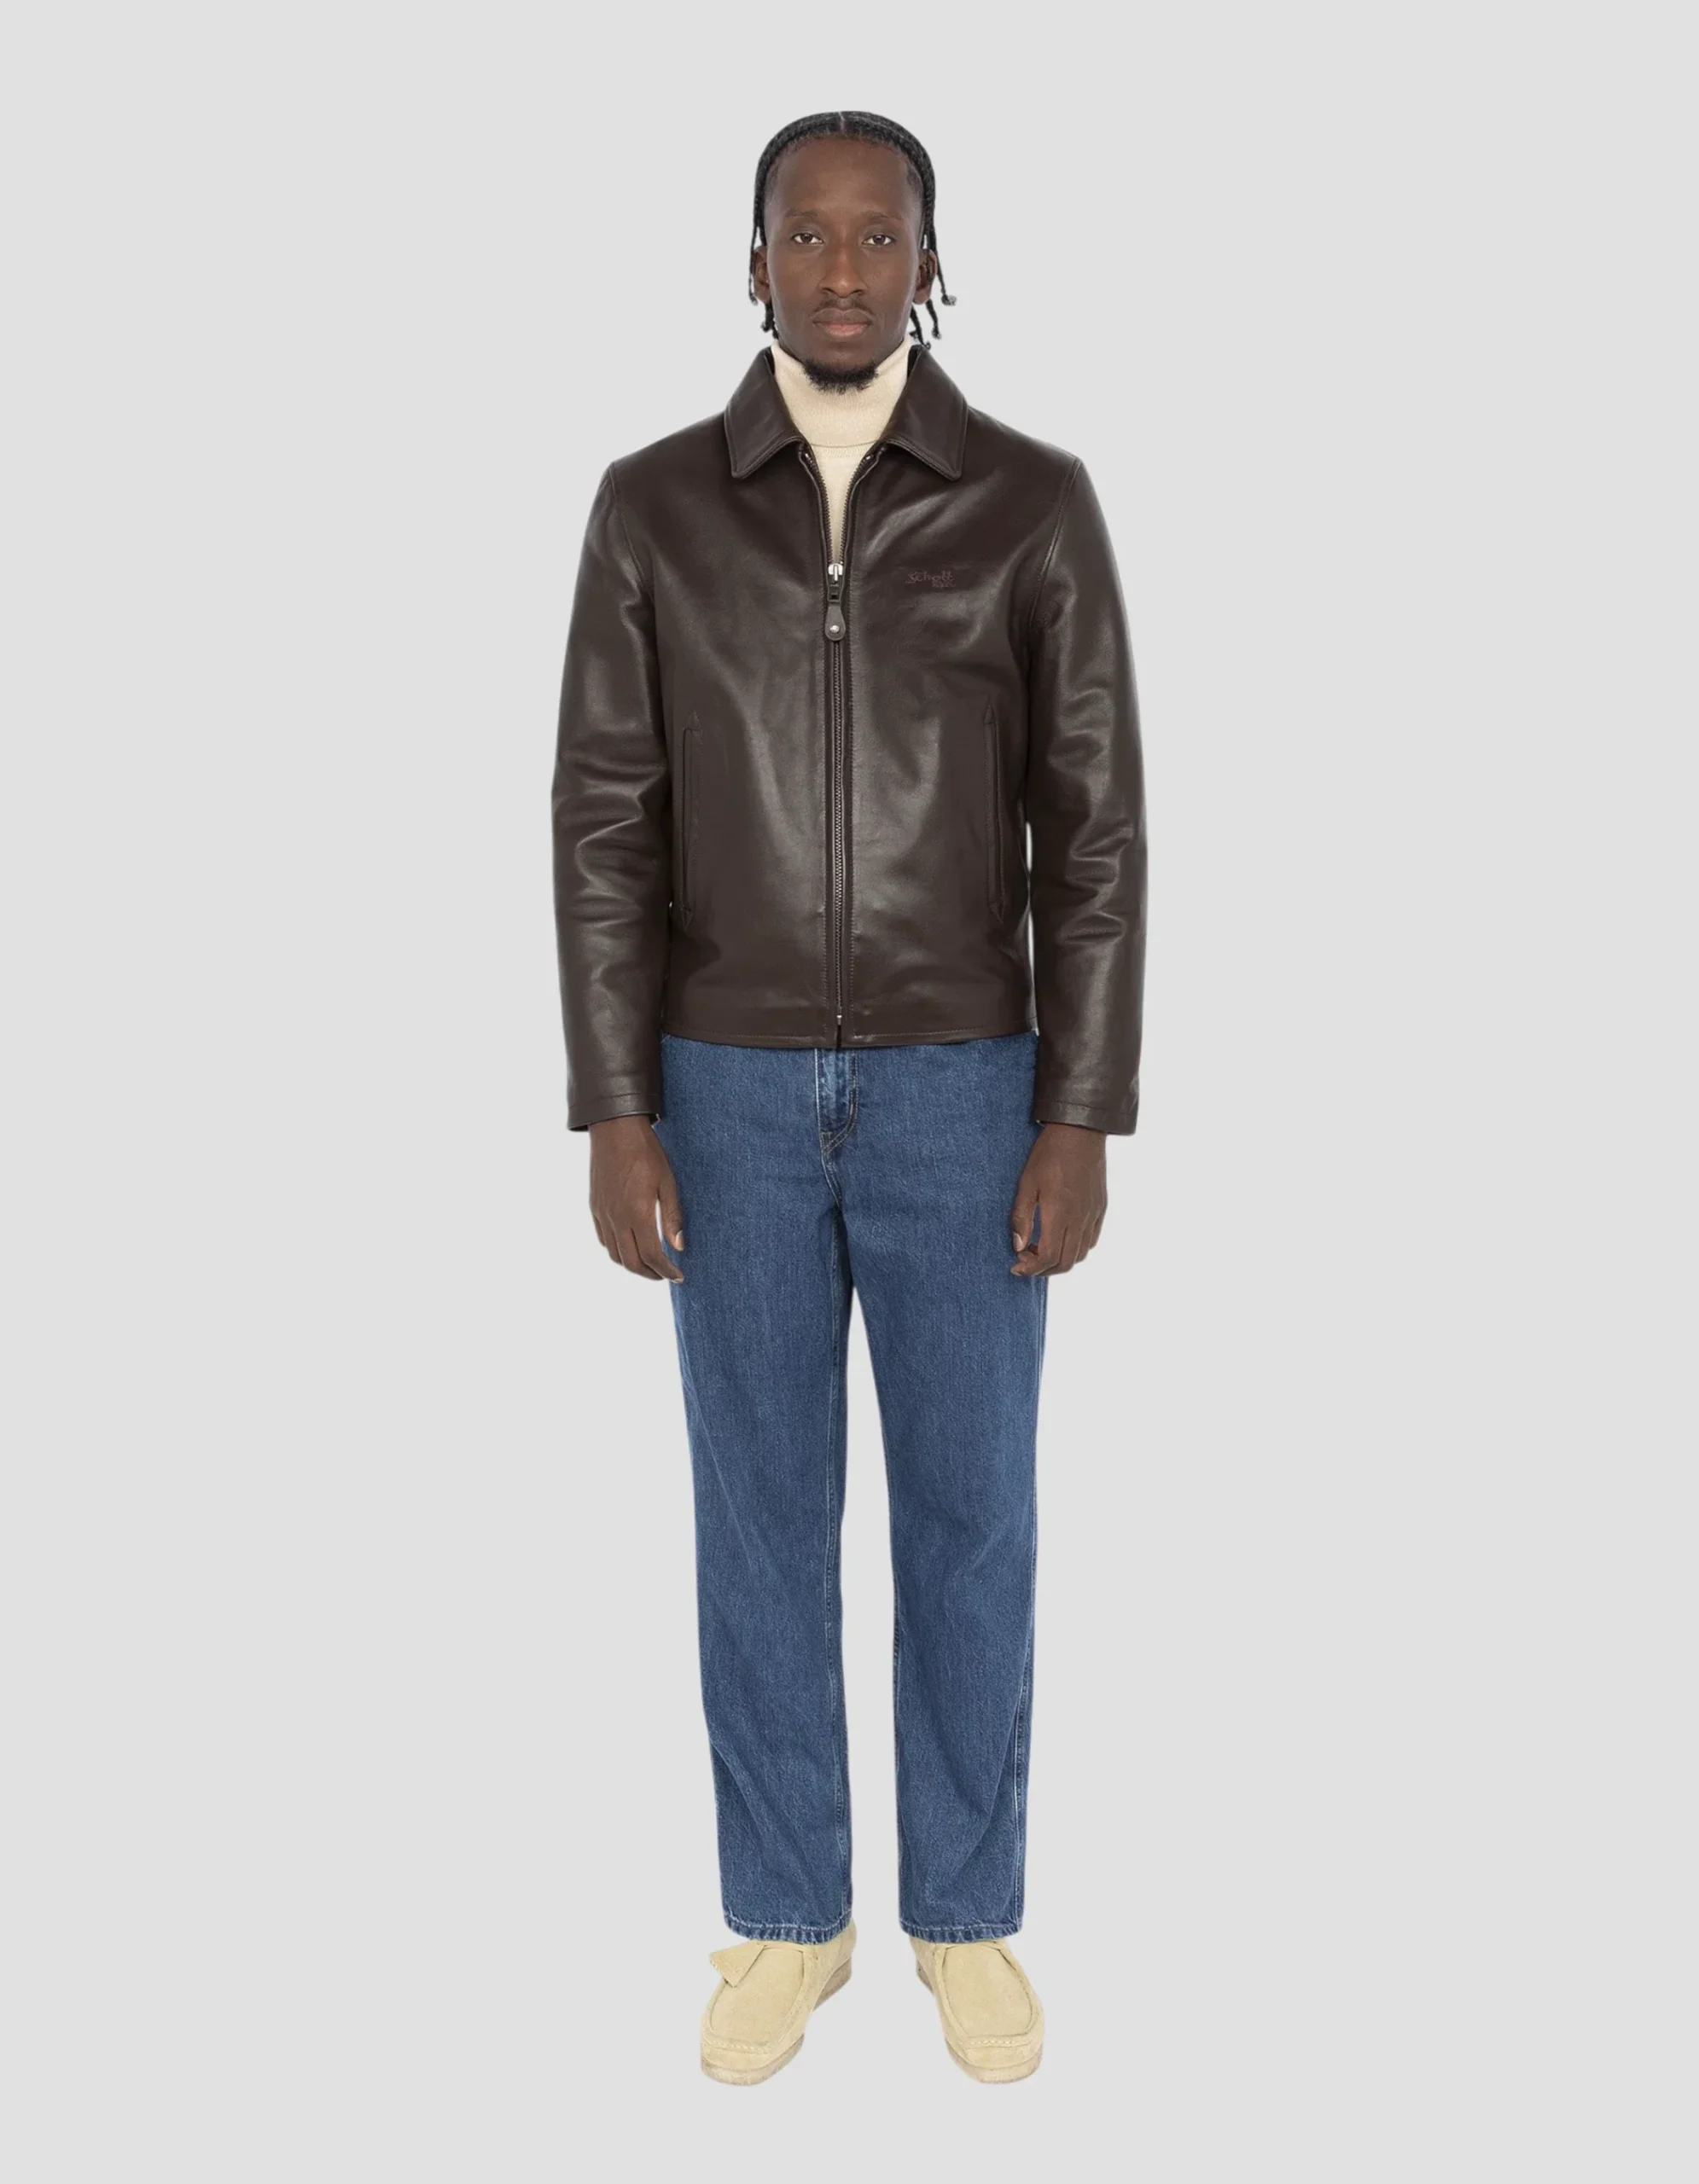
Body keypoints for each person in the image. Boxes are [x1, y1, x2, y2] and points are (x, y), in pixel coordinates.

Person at [550, 109, 1146, 2085]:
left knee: (970, 1517)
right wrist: (613, 1103)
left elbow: (1094, 830)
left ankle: (963, 1920)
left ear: (927, 265)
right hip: (715, 1087)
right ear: (751, 265)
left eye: (873, 238)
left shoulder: (1030, 505)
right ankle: (788, 1917)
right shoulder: (652, 508)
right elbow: (604, 819)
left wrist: (1078, 1108)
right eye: (800, 237)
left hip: (965, 1085)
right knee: (758, 1520)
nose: (835, 271)